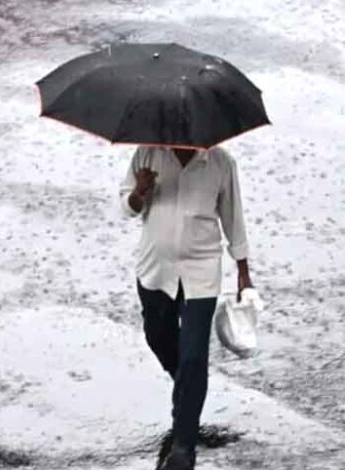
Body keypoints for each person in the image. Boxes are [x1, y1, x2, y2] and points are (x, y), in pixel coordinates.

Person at [119, 145, 253, 470]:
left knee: (194, 357)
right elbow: (126, 207)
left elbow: (233, 219)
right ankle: (188, 392)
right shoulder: (148, 154)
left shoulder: (221, 163)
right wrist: (139, 192)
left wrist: (243, 272)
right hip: (154, 268)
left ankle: (184, 446)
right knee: (157, 337)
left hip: (200, 273)